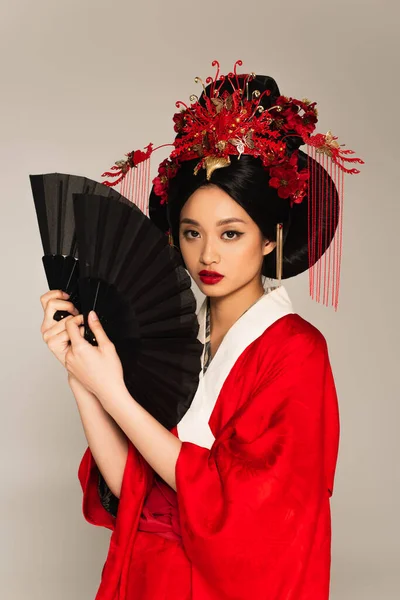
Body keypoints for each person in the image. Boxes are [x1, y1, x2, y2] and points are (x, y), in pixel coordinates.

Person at [39, 62, 363, 599]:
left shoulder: (297, 351)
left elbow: (247, 522)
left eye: (231, 233)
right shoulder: (176, 338)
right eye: (191, 233)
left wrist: (116, 392)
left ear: (269, 240)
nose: (207, 255)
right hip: (146, 576)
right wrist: (83, 378)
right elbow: (133, 491)